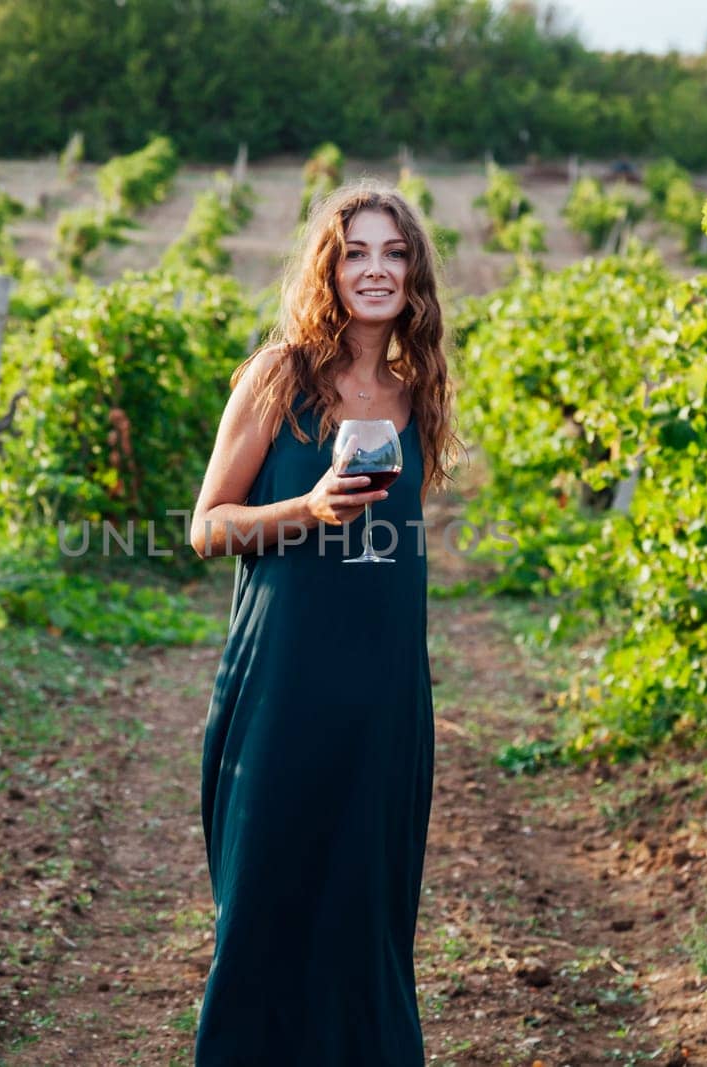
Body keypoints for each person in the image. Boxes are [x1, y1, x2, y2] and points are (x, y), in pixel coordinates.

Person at [187, 183, 460, 1064]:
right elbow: (208, 526)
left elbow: (395, 548)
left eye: (393, 252)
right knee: (266, 896)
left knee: (367, 907)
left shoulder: (420, 392)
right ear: (329, 268)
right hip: (282, 679)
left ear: (413, 272)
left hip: (382, 687)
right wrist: (306, 507)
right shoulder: (279, 376)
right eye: (356, 252)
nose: (375, 269)